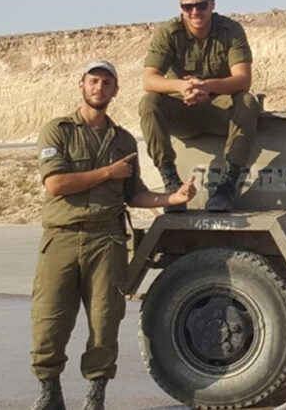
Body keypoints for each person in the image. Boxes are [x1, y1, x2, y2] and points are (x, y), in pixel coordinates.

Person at [30, 60, 196, 410]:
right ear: (81, 85)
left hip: (107, 241)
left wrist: (171, 198)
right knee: (49, 320)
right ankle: (50, 395)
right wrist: (108, 172)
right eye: (94, 81)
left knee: (105, 322)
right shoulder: (58, 130)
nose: (99, 88)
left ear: (115, 91)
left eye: (107, 83)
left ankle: (95, 397)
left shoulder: (122, 140)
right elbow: (56, 183)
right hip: (62, 237)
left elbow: (133, 193)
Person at [138, 0, 260, 212]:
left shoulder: (230, 31)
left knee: (246, 101)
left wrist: (206, 86)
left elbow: (243, 79)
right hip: (183, 110)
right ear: (180, 7)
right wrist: (182, 87)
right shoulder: (169, 33)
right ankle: (171, 181)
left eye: (201, 5)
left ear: (212, 4)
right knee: (149, 102)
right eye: (188, 6)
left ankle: (227, 185)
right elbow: (149, 80)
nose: (195, 12)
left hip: (219, 111)